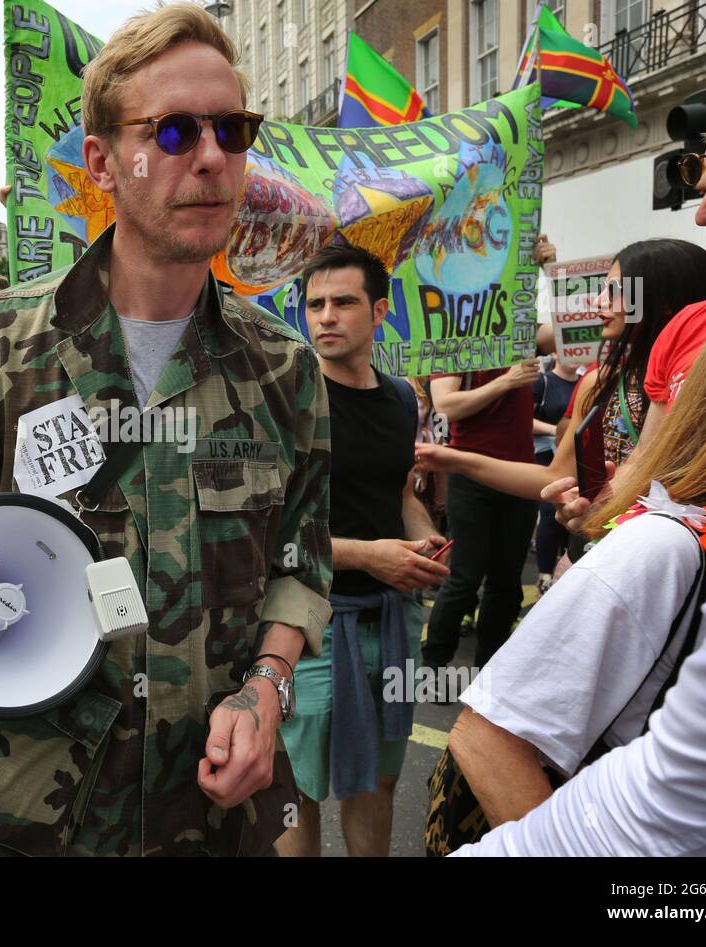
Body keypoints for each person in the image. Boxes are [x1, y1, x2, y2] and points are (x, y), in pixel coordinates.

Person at [0, 4, 331, 857]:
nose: (212, 155)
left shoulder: (285, 369)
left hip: (214, 819)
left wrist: (267, 688)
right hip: (27, 816)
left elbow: (300, 564)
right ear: (101, 161)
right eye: (173, 131)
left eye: (233, 129)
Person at [454, 281, 706, 857]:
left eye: (619, 290)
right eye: (608, 289)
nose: (606, 304)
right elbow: (488, 733)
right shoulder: (666, 547)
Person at [551, 85, 706, 531]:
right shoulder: (688, 325)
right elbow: (648, 466)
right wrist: (599, 516)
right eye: (704, 192)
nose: (703, 215)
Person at [274, 245, 448, 858]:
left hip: (393, 620)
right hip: (309, 627)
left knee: (378, 780)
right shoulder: (288, 399)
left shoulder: (402, 398)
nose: (325, 316)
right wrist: (370, 556)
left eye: (343, 302)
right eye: (315, 303)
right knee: (298, 787)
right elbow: (266, 530)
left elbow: (401, 496)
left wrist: (422, 538)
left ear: (378, 312)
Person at [417, 240, 706, 563]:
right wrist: (457, 461)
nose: (597, 302)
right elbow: (556, 477)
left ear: (664, 299)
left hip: (689, 560)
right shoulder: (598, 382)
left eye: (615, 290)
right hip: (601, 554)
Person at [420, 355, 539, 675]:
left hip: (520, 474)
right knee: (464, 576)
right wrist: (507, 381)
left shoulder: (521, 338)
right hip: (470, 475)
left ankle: (490, 672)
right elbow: (444, 406)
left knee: (506, 580)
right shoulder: (461, 340)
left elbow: (564, 333)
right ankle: (434, 667)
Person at [530, 350, 581, 592]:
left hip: (571, 455)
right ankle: (544, 575)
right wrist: (556, 431)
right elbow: (526, 420)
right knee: (550, 511)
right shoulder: (544, 381)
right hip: (545, 454)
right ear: (556, 351)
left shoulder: (586, 381)